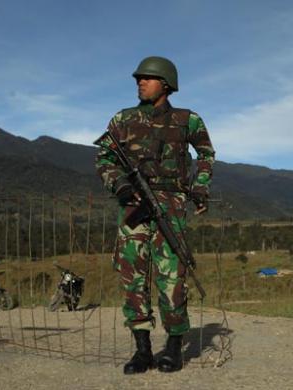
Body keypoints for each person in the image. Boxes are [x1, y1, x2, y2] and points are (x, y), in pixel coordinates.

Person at [94, 56, 215, 374]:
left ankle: (174, 347)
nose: (140, 82)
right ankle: (142, 350)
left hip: (171, 205)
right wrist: (119, 185)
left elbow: (205, 153)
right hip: (133, 205)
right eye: (138, 78)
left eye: (147, 78)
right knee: (132, 278)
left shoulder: (188, 120)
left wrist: (199, 187)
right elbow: (104, 156)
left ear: (166, 84)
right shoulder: (123, 119)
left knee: (172, 278)